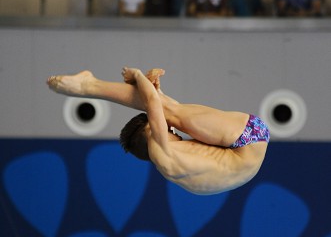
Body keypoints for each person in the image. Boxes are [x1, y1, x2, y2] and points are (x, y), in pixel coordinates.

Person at [47, 68, 269, 196]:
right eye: (160, 126)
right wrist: (138, 76)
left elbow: (161, 106)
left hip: (248, 148)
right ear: (150, 132)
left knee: (171, 111)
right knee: (169, 111)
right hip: (248, 137)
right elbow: (153, 103)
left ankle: (90, 85)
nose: (171, 129)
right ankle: (89, 86)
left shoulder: (168, 159)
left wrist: (155, 89)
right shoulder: (162, 151)